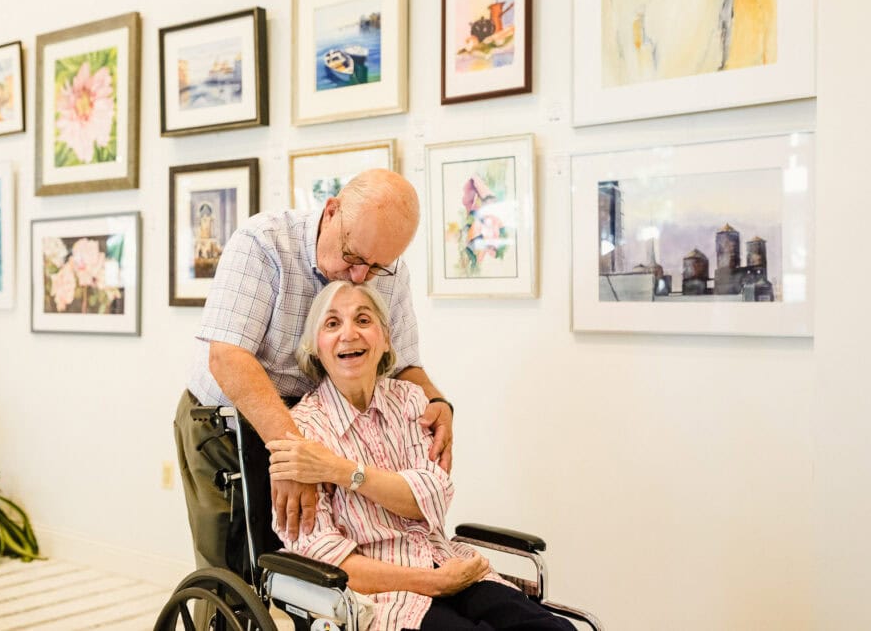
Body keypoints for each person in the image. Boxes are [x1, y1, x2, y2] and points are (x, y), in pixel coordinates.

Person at [174, 169, 455, 579]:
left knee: (314, 574)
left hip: (321, 425)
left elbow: (404, 365)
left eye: (377, 267)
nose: (361, 277)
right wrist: (293, 459)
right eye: (355, 258)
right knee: (238, 572)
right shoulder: (264, 243)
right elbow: (229, 357)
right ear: (331, 211)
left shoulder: (385, 268)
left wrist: (438, 402)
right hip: (227, 419)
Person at [268, 281, 575, 631]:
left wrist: (340, 470)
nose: (349, 334)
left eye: (363, 320)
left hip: (449, 565)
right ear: (315, 349)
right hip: (380, 598)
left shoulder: (412, 401)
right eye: (332, 323)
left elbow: (429, 498)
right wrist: (430, 583)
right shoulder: (301, 432)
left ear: (385, 339)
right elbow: (327, 558)